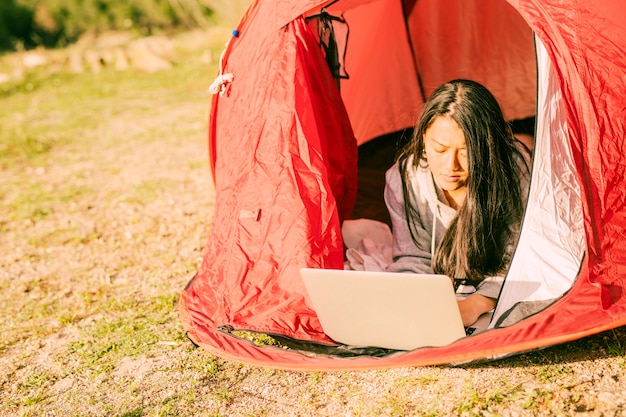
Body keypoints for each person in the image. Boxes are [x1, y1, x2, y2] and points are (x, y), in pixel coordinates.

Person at [384, 79, 531, 327]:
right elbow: (412, 256)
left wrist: (477, 303)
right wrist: (406, 297)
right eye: (439, 149)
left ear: (489, 148)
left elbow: (522, 257)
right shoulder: (404, 179)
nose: (450, 166)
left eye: (466, 152)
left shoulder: (517, 173)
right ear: (422, 139)